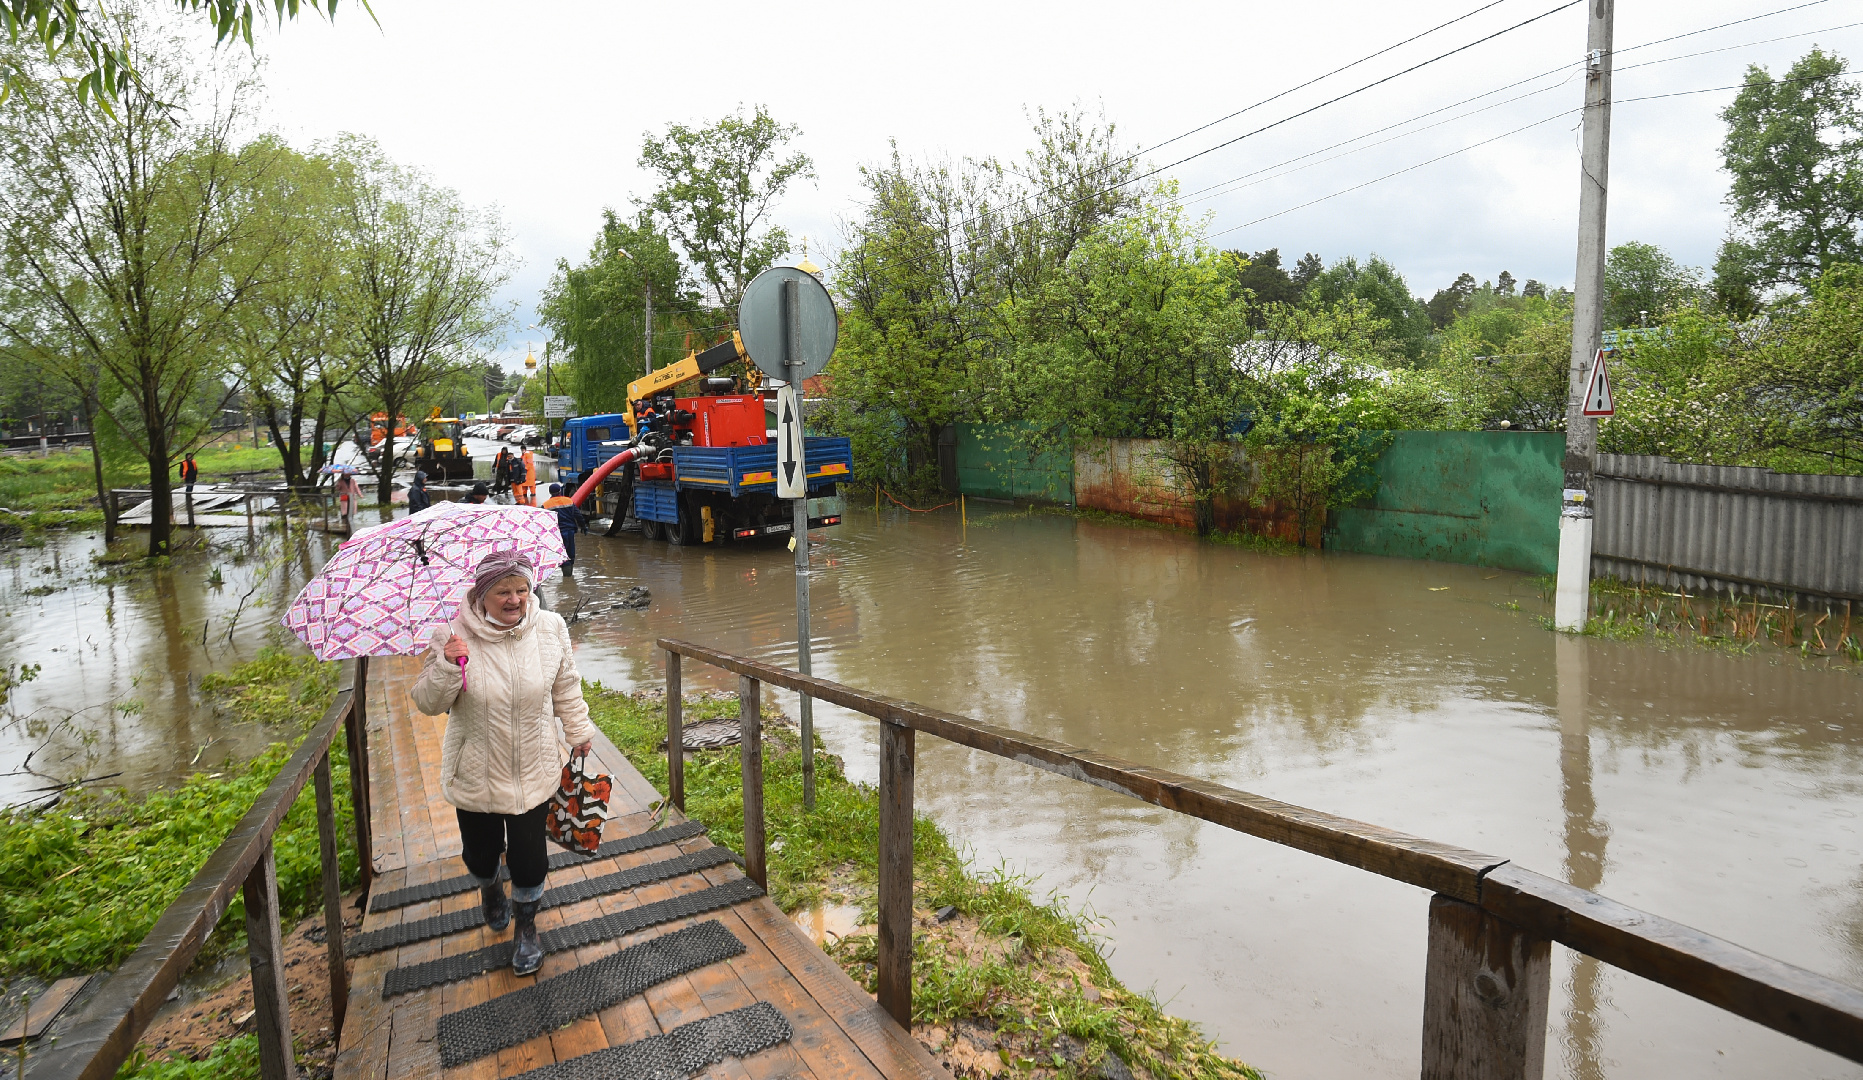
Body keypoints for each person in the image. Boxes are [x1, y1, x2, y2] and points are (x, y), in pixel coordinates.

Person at [411, 551, 595, 977]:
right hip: (477, 768)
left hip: (535, 764)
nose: (515, 600)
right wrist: (447, 665)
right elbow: (427, 703)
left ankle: (526, 929)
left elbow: (566, 684)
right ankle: (491, 887)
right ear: (481, 595)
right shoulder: (451, 636)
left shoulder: (550, 628)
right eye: (503, 592)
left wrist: (578, 731)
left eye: (522, 589)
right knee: (480, 855)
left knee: (531, 860)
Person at [541, 484, 582, 571]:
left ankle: (564, 571)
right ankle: (568, 575)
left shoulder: (546, 505)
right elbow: (578, 515)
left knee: (560, 553)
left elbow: (543, 521)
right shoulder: (568, 501)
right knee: (570, 553)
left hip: (556, 533)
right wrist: (583, 526)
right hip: (570, 530)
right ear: (560, 491)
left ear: (550, 492)